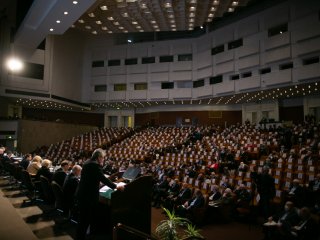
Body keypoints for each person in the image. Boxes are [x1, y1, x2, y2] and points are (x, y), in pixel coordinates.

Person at [76, 149, 124, 240]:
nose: (103, 160)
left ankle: (81, 236)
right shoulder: (95, 165)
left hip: (83, 194)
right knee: (84, 220)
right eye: (103, 158)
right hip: (88, 197)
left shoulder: (87, 162)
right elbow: (103, 178)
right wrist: (115, 186)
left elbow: (93, 178)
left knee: (83, 220)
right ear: (99, 157)